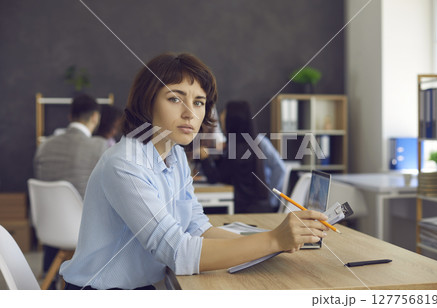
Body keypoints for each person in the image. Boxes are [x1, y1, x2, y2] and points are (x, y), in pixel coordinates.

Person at [59, 53, 328, 290]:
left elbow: (197, 228)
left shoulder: (174, 154)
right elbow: (177, 252)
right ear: (147, 102)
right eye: (175, 98)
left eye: (199, 102)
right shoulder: (124, 163)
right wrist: (272, 240)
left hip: (148, 287)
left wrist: (275, 242)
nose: (190, 113)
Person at [33, 94, 107, 287]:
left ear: (70, 116)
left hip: (48, 229)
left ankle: (49, 279)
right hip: (83, 232)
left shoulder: (45, 145)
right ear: (95, 117)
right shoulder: (99, 146)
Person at [200, 100, 286, 213]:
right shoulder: (250, 143)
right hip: (258, 205)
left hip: (247, 209)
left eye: (225, 117)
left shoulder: (238, 148)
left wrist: (204, 158)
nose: (222, 119)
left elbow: (216, 177)